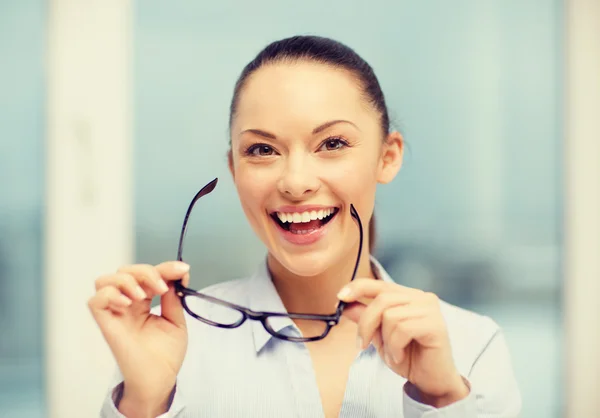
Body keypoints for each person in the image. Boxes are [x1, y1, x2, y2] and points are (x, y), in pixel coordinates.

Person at [89, 35, 521, 418]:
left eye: (332, 144)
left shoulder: (472, 348)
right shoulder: (171, 347)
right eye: (261, 149)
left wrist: (443, 399)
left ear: (387, 157)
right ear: (234, 169)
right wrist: (144, 405)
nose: (295, 182)